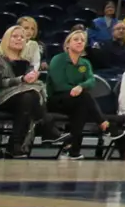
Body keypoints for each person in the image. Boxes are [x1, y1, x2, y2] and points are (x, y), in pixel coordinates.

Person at [48, 28, 114, 160]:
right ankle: (102, 123)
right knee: (84, 97)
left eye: (82, 40)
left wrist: (80, 86)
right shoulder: (58, 59)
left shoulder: (85, 63)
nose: (79, 42)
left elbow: (91, 81)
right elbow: (58, 83)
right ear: (67, 44)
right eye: (76, 39)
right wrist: (78, 89)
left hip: (76, 100)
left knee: (82, 107)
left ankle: (74, 151)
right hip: (56, 99)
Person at [0, 24, 47, 157]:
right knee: (30, 95)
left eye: (22, 37)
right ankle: (46, 125)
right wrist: (21, 80)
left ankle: (14, 145)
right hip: (1, 97)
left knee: (29, 96)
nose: (19, 39)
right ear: (6, 39)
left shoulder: (27, 61)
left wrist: (31, 78)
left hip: (23, 99)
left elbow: (29, 84)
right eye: (15, 36)